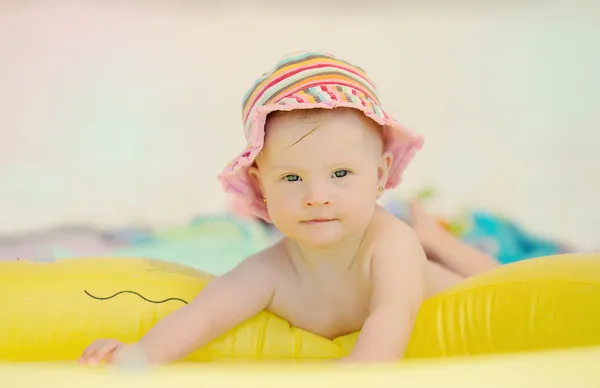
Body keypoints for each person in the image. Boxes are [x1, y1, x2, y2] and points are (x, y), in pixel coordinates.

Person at [79, 51, 499, 366]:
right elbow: (204, 316)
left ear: (379, 173)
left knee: (499, 280)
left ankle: (436, 239)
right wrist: (136, 357)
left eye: (340, 173)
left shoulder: (391, 245)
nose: (317, 196)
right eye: (292, 179)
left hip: (450, 288)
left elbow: (392, 315)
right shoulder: (271, 271)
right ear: (261, 187)